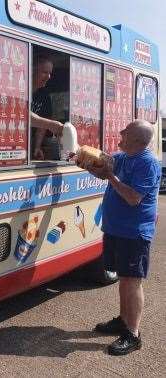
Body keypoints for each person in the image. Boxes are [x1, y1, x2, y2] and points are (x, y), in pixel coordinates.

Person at [79, 119, 161, 356]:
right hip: (115, 229)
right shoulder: (123, 157)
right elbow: (104, 171)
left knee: (131, 281)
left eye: (126, 132)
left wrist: (111, 177)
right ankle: (123, 320)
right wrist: (85, 163)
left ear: (137, 140)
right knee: (123, 279)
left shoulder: (148, 164)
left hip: (134, 233)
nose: (121, 133)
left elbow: (133, 197)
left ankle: (133, 334)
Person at [30, 56, 63, 160]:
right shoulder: (19, 88)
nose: (48, 77)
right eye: (44, 72)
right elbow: (20, 114)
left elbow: (42, 127)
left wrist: (37, 147)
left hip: (30, 141)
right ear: (32, 71)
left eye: (50, 73)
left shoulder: (44, 95)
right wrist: (51, 124)